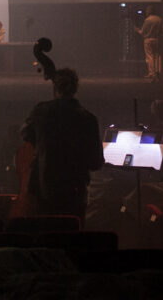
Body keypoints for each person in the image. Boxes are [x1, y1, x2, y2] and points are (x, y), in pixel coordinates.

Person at [20, 68, 103, 224]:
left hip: (43, 187)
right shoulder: (89, 118)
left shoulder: (41, 111)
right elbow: (95, 163)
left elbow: (25, 133)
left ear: (55, 87)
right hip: (74, 190)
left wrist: (42, 145)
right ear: (76, 88)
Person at [135, 5, 163, 82]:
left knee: (150, 56)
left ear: (149, 11)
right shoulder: (159, 19)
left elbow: (142, 32)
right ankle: (158, 72)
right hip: (157, 39)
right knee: (157, 56)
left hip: (148, 40)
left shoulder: (147, 20)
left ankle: (152, 73)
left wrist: (137, 30)